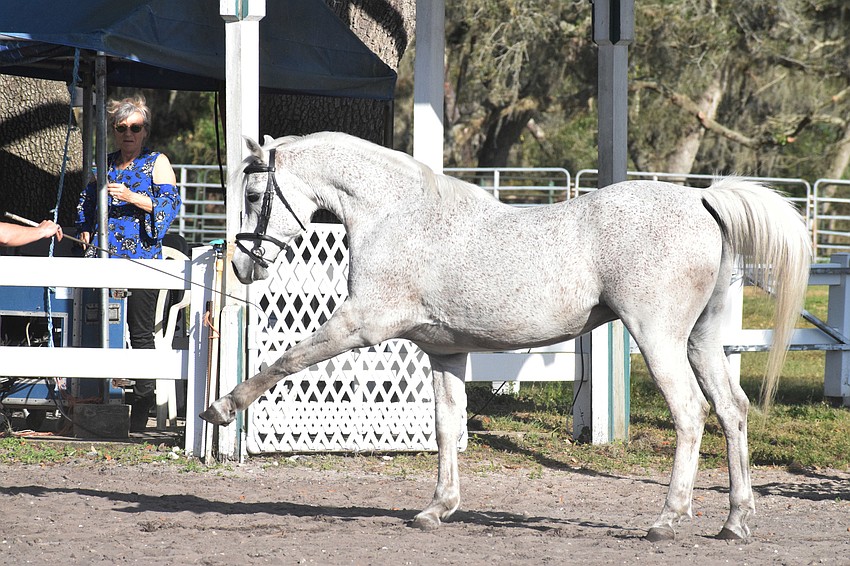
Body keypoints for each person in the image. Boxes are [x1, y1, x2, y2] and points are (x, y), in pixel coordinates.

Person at [76, 94, 182, 432]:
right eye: (121, 128)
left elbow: (168, 209)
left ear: (145, 131)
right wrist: (84, 229)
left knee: (140, 333)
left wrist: (133, 198)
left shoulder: (157, 163)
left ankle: (142, 405)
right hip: (104, 257)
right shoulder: (103, 165)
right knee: (93, 326)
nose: (128, 134)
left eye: (135, 128)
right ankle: (93, 399)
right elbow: (85, 203)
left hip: (142, 259)